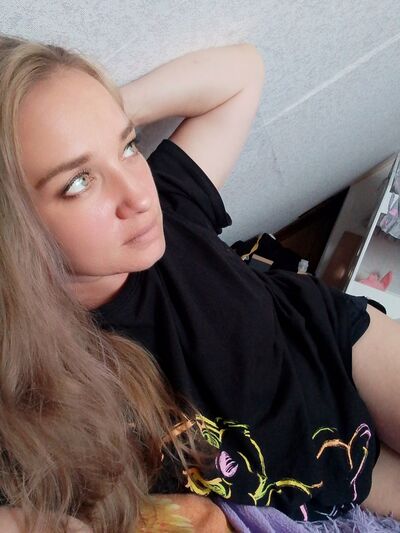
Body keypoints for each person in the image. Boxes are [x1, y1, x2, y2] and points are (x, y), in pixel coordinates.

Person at [0, 32, 399, 531]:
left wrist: (97, 111)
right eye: (79, 182)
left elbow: (241, 73)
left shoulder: (170, 208)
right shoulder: (36, 384)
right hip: (319, 475)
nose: (138, 196)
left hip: (338, 357)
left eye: (128, 146)